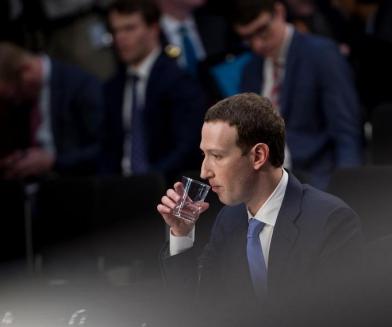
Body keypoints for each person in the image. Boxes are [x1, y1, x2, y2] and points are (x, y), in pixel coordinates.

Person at [157, 93, 363, 307]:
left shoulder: (332, 222)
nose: (204, 172)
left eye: (217, 156)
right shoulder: (228, 220)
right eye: (204, 155)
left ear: (258, 156)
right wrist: (181, 235)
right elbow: (196, 309)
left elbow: (338, 324)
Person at [231, 0, 362, 189]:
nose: (257, 44)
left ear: (279, 12)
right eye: (248, 38)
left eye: (262, 31)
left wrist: (348, 188)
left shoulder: (321, 54)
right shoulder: (251, 69)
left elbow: (346, 131)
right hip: (264, 184)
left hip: (316, 178)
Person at [101, 0, 206, 180]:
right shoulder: (113, 88)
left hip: (164, 186)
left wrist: (148, 181)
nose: (120, 38)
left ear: (154, 28)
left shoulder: (179, 81)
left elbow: (186, 148)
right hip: (119, 189)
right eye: (115, 30)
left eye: (129, 28)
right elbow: (108, 150)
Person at [0, 41, 104, 179]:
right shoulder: (25, 99)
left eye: (14, 96)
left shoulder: (81, 87)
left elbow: (105, 150)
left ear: (26, 71)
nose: (16, 102)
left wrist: (54, 162)